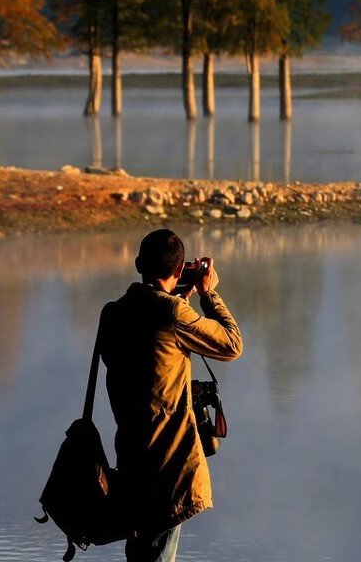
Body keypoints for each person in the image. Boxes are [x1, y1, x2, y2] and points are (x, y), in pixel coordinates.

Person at [99, 229, 243, 562]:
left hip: (130, 458)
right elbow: (232, 345)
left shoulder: (112, 313)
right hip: (168, 465)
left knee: (141, 552)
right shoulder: (174, 315)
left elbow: (153, 348)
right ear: (178, 271)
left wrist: (180, 297)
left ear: (137, 264)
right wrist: (208, 295)